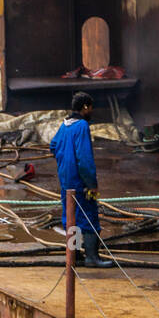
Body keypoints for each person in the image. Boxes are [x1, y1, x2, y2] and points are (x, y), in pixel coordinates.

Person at [50, 91, 114, 268]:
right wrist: (92, 184)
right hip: (80, 183)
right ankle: (92, 258)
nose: (92, 111)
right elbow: (84, 159)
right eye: (91, 107)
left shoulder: (65, 125)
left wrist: (64, 161)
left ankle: (74, 256)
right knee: (89, 217)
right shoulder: (82, 126)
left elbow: (53, 145)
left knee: (71, 218)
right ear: (85, 107)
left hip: (66, 182)